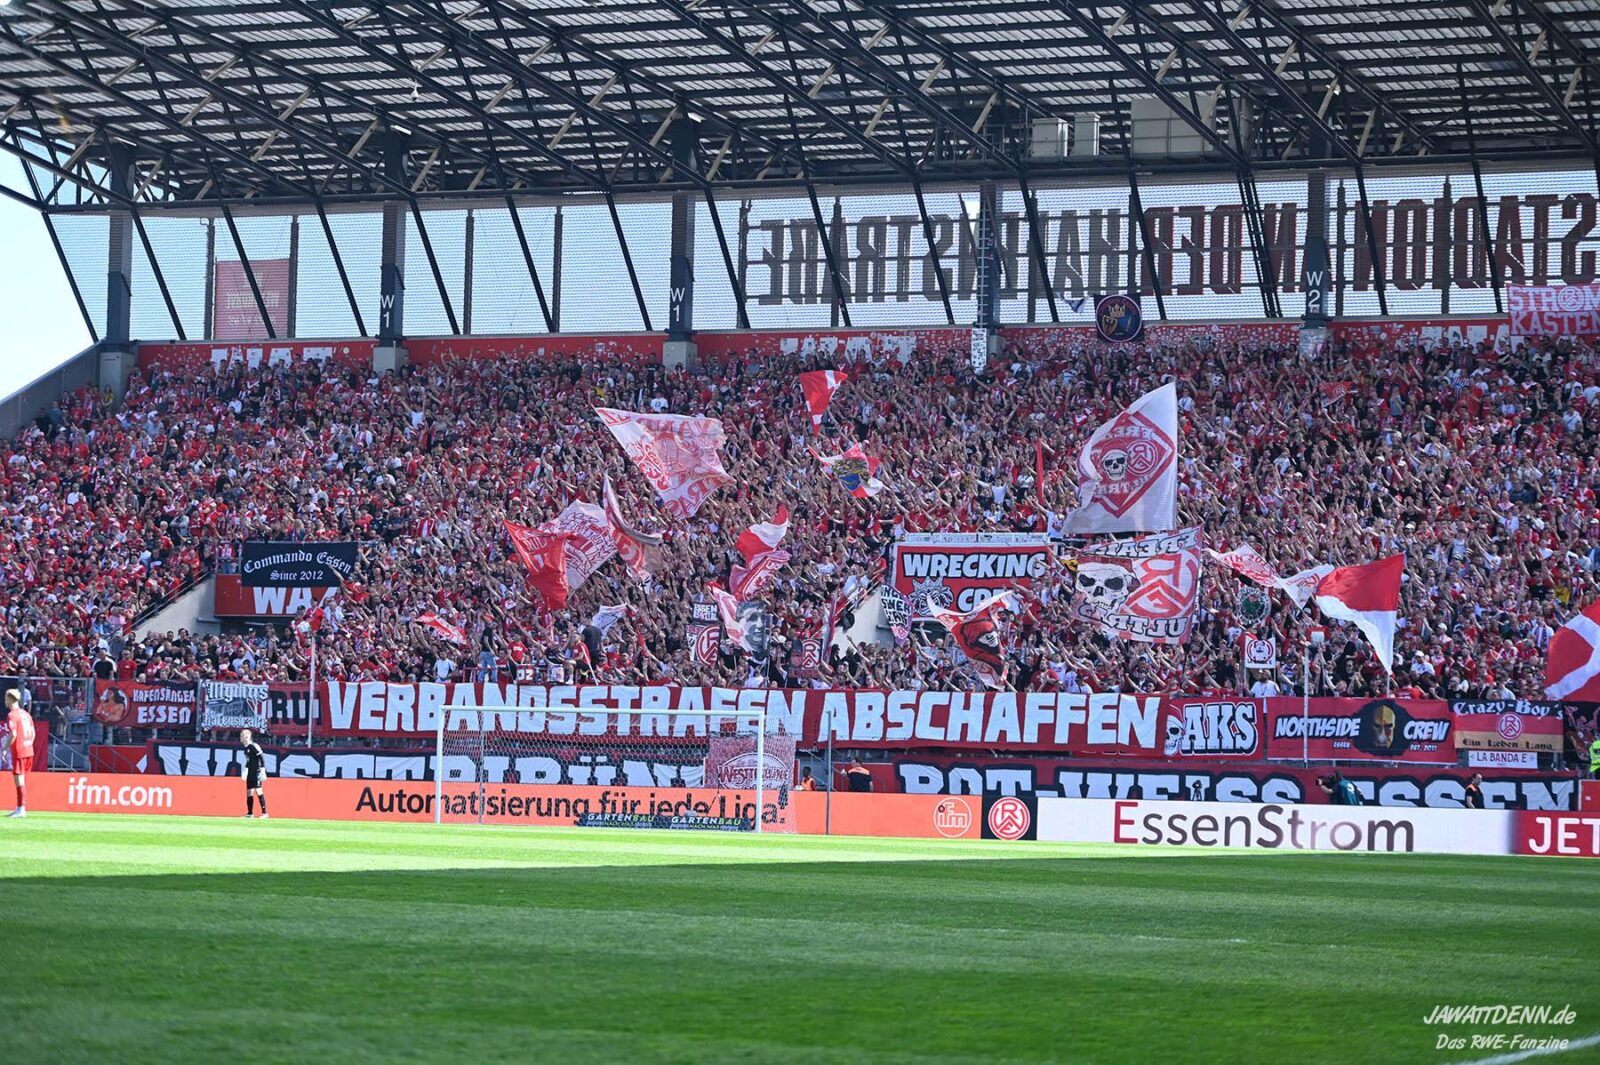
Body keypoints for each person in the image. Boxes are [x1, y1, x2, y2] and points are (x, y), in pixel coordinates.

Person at [5, 689, 35, 818]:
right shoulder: (26, 714)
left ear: (10, 699)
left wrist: (5, 749)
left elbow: (13, 734)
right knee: (21, 780)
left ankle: (21, 809)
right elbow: (33, 733)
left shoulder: (12, 715)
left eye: (6, 698)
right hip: (29, 750)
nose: (5, 701)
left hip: (19, 751)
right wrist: (28, 744)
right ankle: (19, 808)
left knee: (19, 781)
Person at [240, 728, 269, 819]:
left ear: (247, 736)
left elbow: (261, 757)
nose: (240, 737)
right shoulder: (246, 748)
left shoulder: (254, 746)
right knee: (249, 792)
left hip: (257, 771)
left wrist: (263, 770)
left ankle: (264, 813)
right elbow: (249, 761)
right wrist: (246, 770)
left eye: (242, 735)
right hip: (251, 771)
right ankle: (250, 813)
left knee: (258, 790)